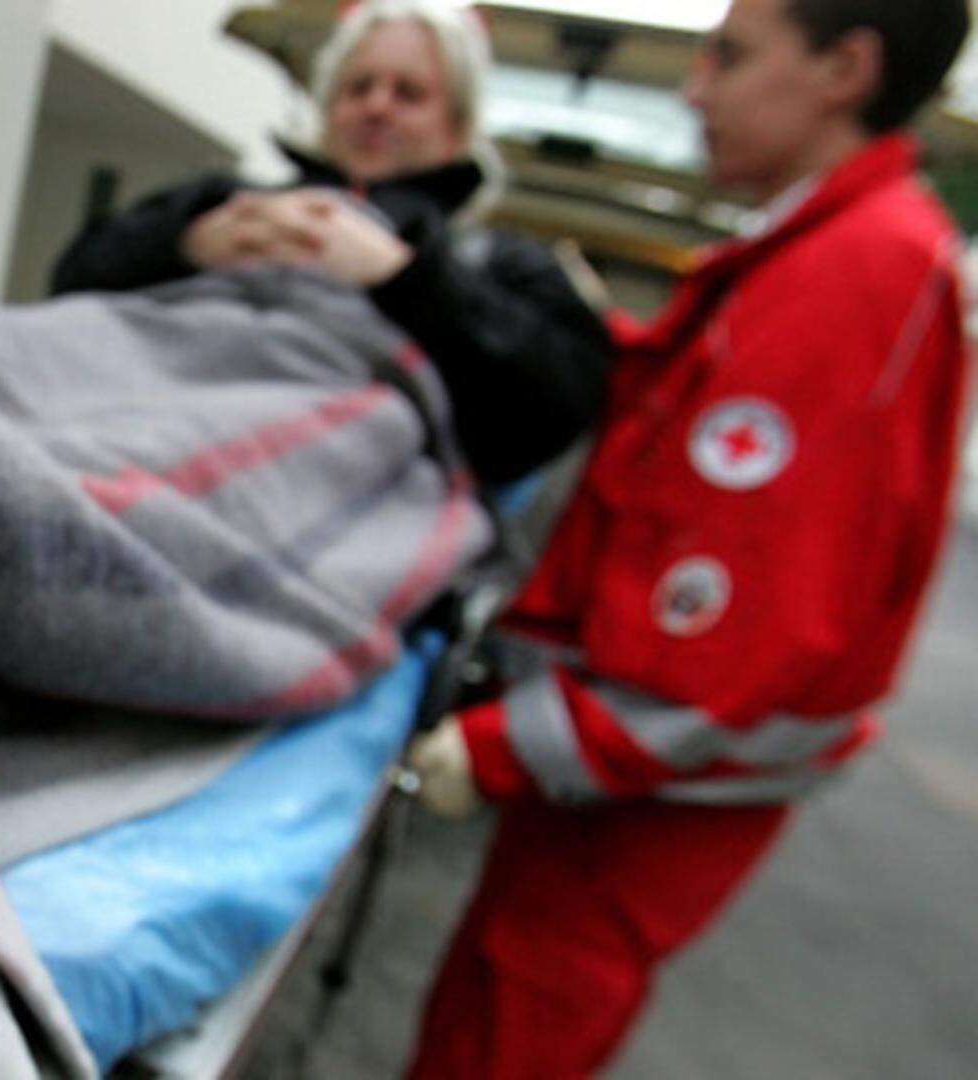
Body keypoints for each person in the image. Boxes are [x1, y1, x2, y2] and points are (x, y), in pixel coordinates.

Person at [401, 0, 972, 1074]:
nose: (694, 88)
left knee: (507, 1030)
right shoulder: (826, 255)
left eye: (732, 57)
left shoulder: (855, 276)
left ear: (844, 69)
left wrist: (497, 745)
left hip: (634, 800)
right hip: (620, 795)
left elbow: (727, 648)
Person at [50, 0, 611, 485]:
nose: (377, 106)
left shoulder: (498, 264)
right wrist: (187, 243)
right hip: (119, 431)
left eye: (409, 93)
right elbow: (72, 284)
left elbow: (555, 408)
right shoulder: (224, 203)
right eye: (358, 87)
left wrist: (406, 276)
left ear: (456, 128)